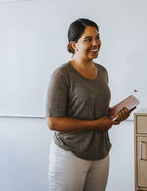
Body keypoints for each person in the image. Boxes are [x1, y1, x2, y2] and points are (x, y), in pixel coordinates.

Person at [46, 18, 132, 191]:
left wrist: (115, 115)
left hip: (100, 152)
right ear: (74, 44)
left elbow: (95, 110)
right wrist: (95, 124)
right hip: (70, 153)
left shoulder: (102, 72)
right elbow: (53, 122)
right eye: (88, 39)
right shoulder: (62, 75)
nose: (96, 43)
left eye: (97, 37)